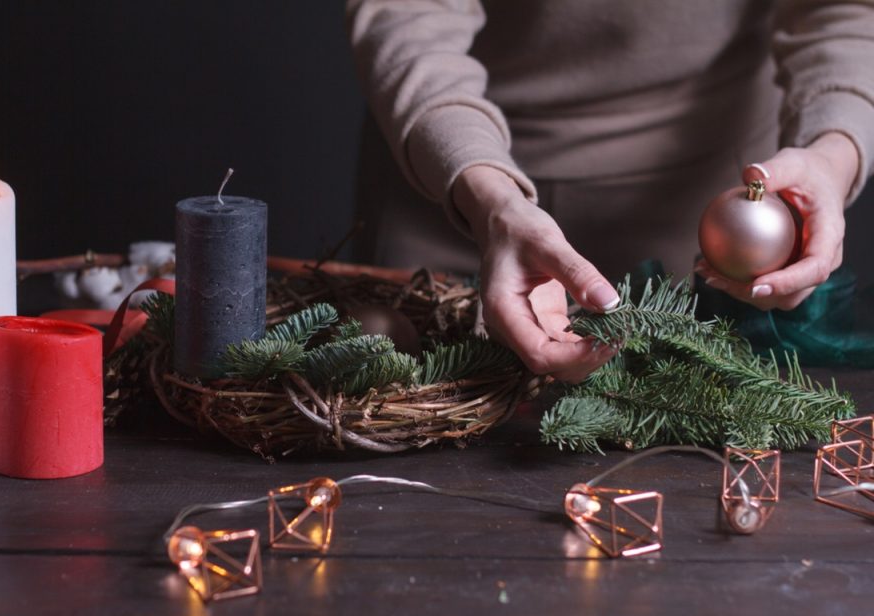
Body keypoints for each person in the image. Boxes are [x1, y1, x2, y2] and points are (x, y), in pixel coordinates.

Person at [346, 0, 873, 382]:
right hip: (459, 185)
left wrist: (834, 154)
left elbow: (845, 11)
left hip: (708, 219)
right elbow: (407, 13)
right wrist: (489, 197)